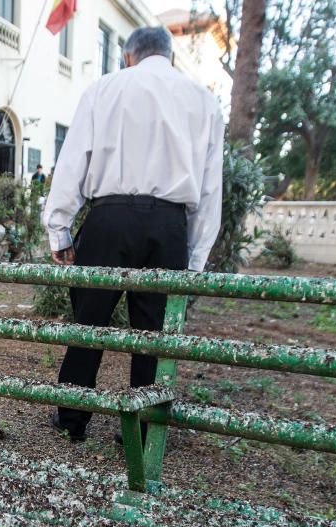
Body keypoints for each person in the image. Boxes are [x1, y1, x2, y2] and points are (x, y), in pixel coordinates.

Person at [43, 26, 224, 443]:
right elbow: (210, 187)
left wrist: (60, 229)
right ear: (170, 57)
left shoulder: (103, 90)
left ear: (128, 57)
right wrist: (194, 261)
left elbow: (73, 162)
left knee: (88, 323)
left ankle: (73, 419)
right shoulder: (203, 101)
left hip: (109, 218)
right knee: (153, 332)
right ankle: (142, 430)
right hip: (169, 224)